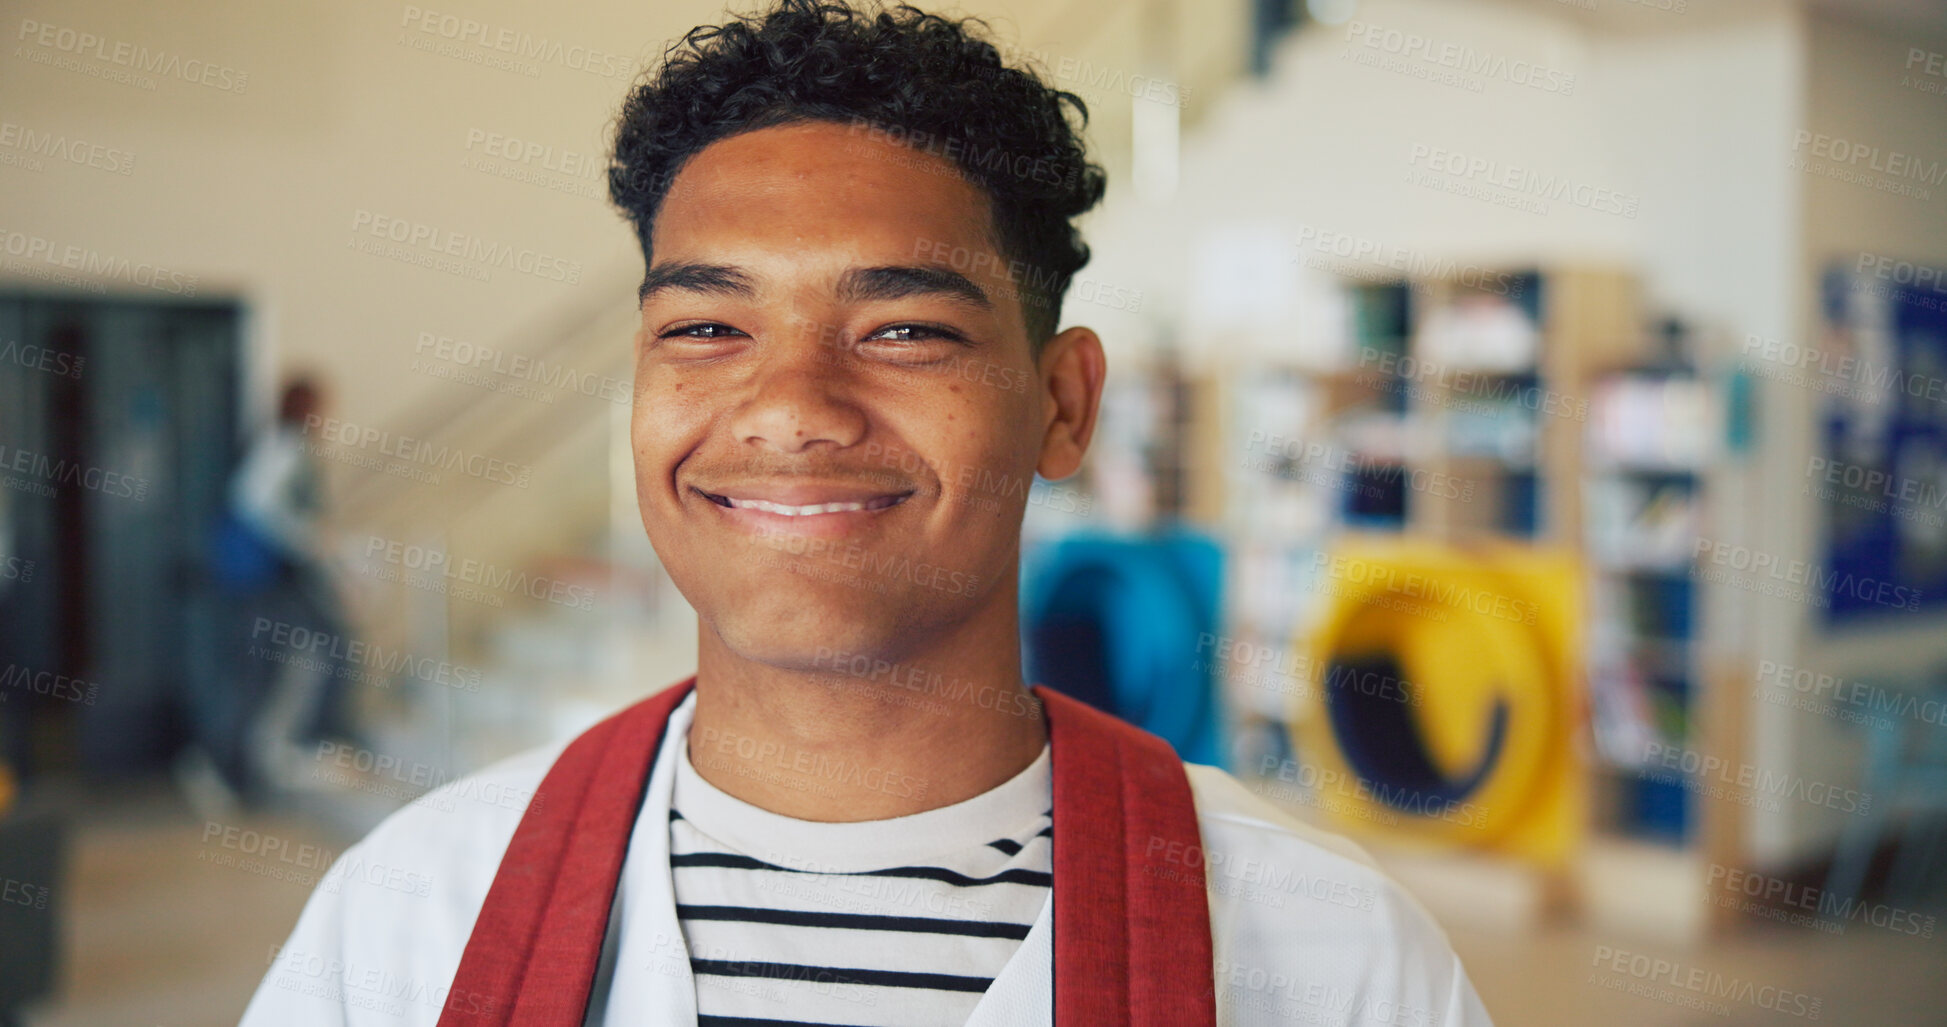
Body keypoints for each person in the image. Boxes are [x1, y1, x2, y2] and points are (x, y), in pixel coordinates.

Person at [242, 2, 1493, 1024]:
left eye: (904, 328)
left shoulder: (1325, 953)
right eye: (706, 328)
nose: (790, 409)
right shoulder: (413, 916)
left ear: (1063, 405)